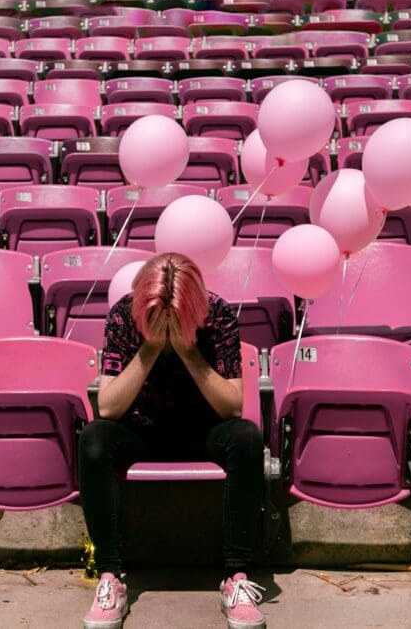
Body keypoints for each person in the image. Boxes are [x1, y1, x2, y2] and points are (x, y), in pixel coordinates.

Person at [78, 252, 267, 629]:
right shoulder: (123, 315)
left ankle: (237, 577)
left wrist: (187, 349)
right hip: (140, 428)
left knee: (246, 436)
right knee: (93, 437)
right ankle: (110, 577)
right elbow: (109, 408)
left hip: (204, 429)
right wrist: (149, 348)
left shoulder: (219, 315)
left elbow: (232, 406)